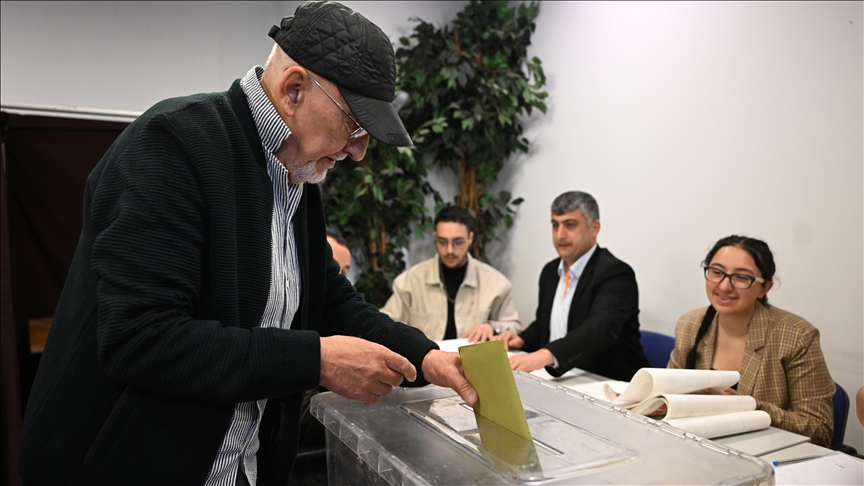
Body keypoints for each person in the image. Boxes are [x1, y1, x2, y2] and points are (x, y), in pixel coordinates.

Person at [16, 3, 476, 485]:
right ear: (294, 88)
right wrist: (316, 359)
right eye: (352, 123)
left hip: (240, 466)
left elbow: (329, 301)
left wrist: (427, 358)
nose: (359, 150)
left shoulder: (297, 177)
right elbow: (141, 339)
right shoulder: (172, 145)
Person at [667, 235, 834, 447]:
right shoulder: (690, 324)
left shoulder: (796, 336)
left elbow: (819, 430)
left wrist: (747, 407)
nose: (725, 286)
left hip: (766, 454)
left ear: (764, 288)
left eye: (741, 277)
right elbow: (669, 396)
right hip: (700, 447)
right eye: (717, 272)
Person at [493, 191, 649, 380]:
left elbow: (599, 329)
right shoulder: (550, 272)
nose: (560, 235)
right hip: (563, 379)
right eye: (555, 225)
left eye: (570, 225)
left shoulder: (616, 273)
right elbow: (546, 323)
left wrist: (545, 355)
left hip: (609, 384)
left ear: (595, 228)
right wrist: (522, 339)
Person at [380, 206, 521, 342]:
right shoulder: (409, 281)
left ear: (470, 238)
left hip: (474, 362)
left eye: (458, 242)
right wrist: (398, 329)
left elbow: (514, 327)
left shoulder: (496, 283)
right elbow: (383, 323)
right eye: (442, 242)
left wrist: (492, 327)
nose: (449, 250)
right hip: (423, 362)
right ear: (435, 238)